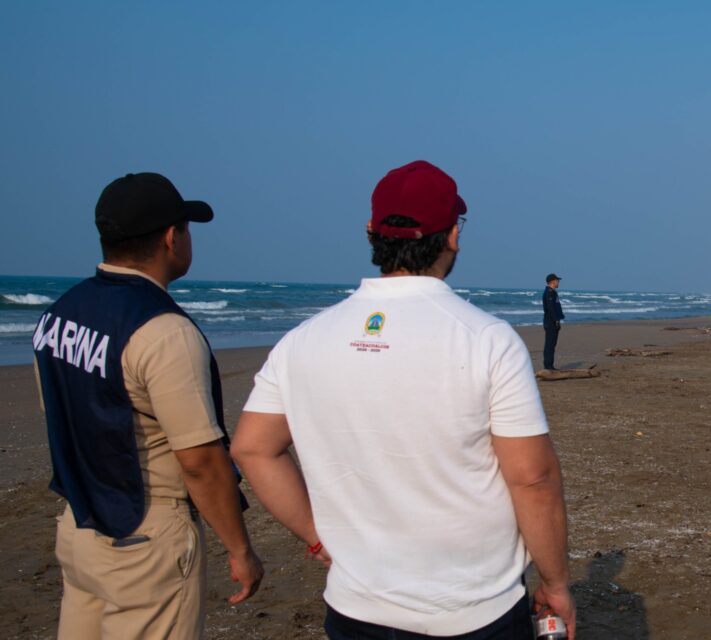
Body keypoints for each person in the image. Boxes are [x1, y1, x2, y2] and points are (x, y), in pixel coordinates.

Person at [231, 160, 575, 639]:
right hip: (473, 609)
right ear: (453, 235)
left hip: (356, 609)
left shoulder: (302, 340)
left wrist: (315, 537)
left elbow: (252, 447)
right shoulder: (486, 339)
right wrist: (555, 581)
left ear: (372, 231)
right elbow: (533, 477)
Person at [33, 172, 263, 639]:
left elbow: (62, 413)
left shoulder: (58, 314)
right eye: (187, 228)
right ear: (170, 237)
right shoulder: (164, 331)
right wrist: (240, 548)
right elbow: (199, 460)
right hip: (146, 532)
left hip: (80, 524)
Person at [543, 273, 565, 370]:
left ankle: (550, 365)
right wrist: (556, 320)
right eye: (557, 280)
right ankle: (548, 366)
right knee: (549, 344)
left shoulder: (553, 292)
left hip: (554, 321)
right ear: (552, 281)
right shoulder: (549, 293)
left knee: (552, 344)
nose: (558, 282)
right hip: (550, 322)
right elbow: (551, 308)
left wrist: (558, 320)